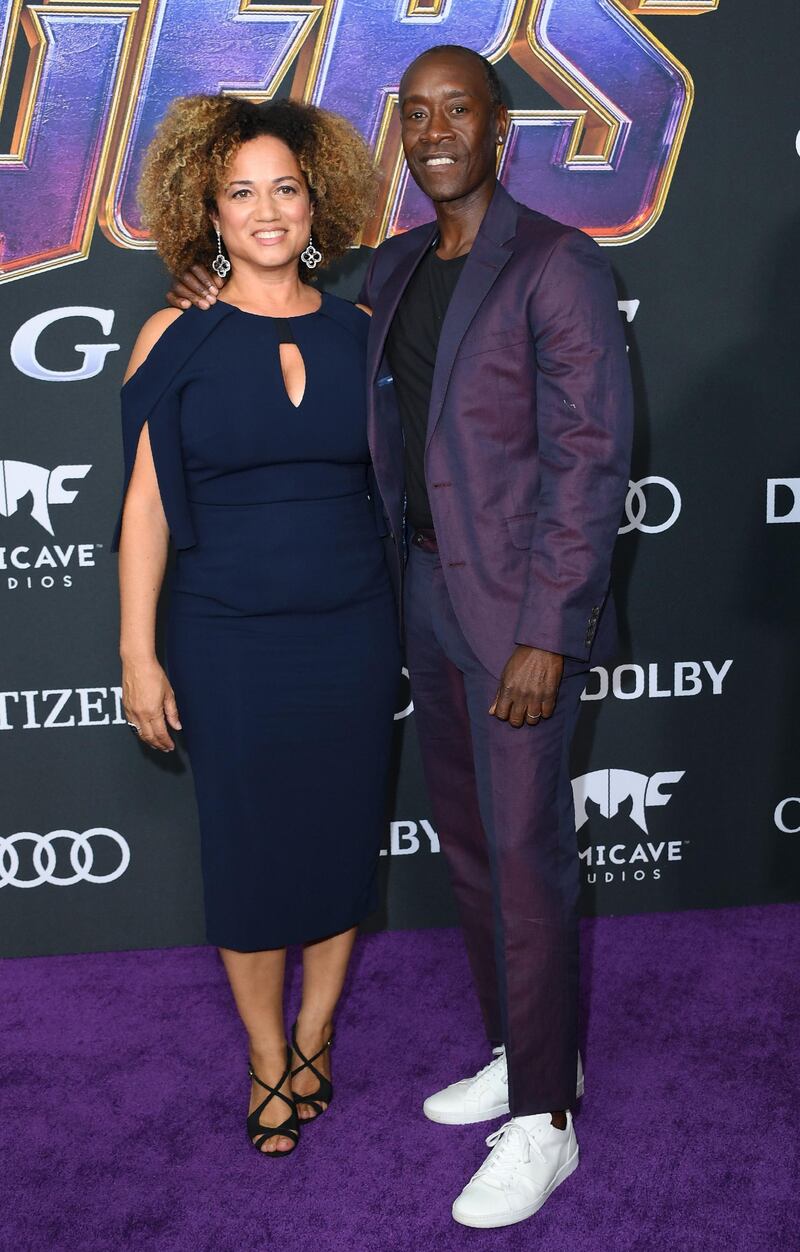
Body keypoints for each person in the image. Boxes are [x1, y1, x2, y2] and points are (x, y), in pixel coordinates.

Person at [169, 43, 632, 1227]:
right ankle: (526, 1054)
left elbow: (588, 463)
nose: (434, 131)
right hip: (416, 602)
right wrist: (203, 298)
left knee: (526, 865)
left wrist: (550, 630)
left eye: (456, 110)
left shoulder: (557, 265)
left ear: (497, 129)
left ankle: (546, 1124)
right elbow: (292, 311)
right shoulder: (394, 268)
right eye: (415, 113)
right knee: (476, 855)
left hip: (518, 619)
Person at [115, 95, 400, 1158]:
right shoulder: (172, 334)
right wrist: (138, 653)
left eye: (284, 186)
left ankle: (317, 1033)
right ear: (210, 210)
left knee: (335, 839)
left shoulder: (363, 331)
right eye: (242, 191)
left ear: (314, 200)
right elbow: (142, 506)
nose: (267, 208)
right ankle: (263, 1053)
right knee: (243, 848)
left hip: (351, 629)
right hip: (222, 631)